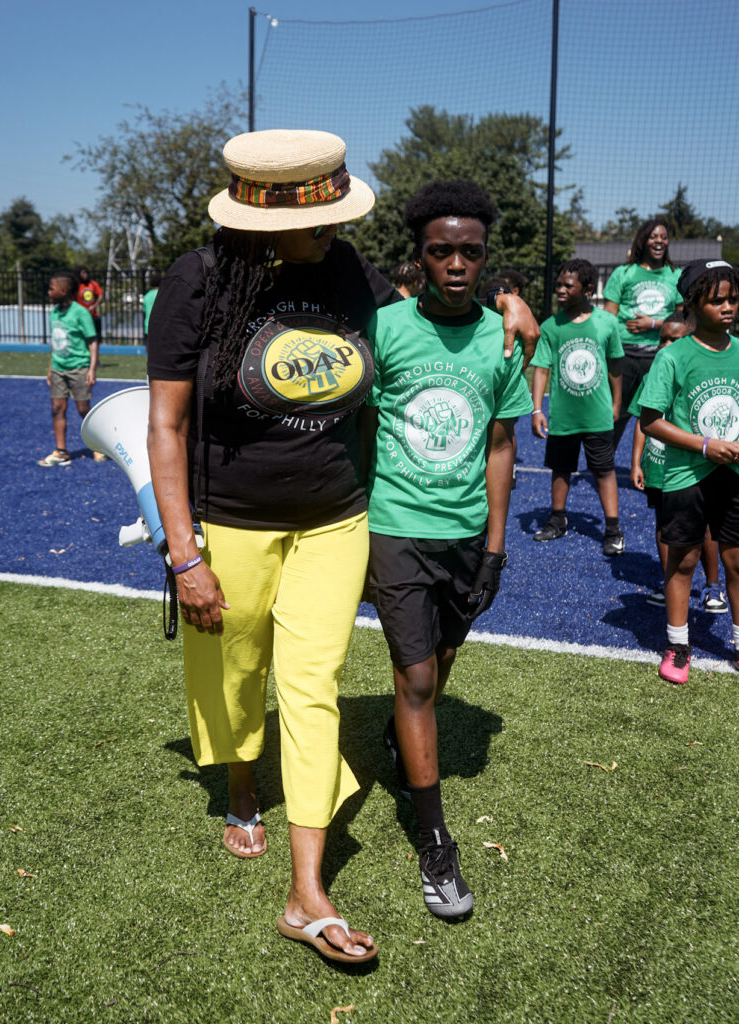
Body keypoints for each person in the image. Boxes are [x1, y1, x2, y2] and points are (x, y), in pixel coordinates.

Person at [145, 130, 540, 962]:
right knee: (239, 673)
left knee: (314, 683)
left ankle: (306, 890)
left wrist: (509, 300)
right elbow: (166, 423)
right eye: (321, 216)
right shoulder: (199, 281)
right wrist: (185, 552)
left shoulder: (350, 271)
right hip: (234, 521)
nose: (337, 227)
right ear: (263, 219)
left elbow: (431, 307)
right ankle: (244, 787)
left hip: (336, 517)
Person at [363, 180, 533, 919]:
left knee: (443, 660)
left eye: (470, 252)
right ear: (420, 257)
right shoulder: (385, 328)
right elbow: (357, 430)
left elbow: (501, 442)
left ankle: (405, 744)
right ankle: (436, 845)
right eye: (442, 251)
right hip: (395, 527)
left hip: (468, 535)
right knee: (420, 679)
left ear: (487, 258)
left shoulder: (506, 335)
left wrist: (495, 546)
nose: (457, 264)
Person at [638, 260, 739, 683]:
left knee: (737, 562)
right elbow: (650, 421)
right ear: (692, 305)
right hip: (684, 478)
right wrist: (704, 444)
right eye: (717, 300)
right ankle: (678, 646)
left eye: (733, 298)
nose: (729, 307)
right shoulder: (673, 356)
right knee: (683, 562)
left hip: (733, 479)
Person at [630, 311, 728, 612]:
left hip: (694, 465)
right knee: (664, 526)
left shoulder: (697, 368)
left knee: (708, 530)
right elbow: (642, 422)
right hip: (660, 466)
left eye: (674, 339)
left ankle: (713, 586)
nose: (666, 344)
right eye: (662, 339)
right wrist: (636, 463)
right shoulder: (652, 375)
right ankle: (668, 579)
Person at [530, 259, 625, 555]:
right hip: (563, 416)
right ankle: (557, 519)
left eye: (567, 285)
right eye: (558, 284)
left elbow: (615, 366)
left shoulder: (607, 323)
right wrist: (536, 409)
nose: (560, 289)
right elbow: (541, 369)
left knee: (604, 470)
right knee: (560, 468)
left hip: (597, 415)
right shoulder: (550, 327)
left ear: (586, 289)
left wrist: (616, 402)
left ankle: (612, 529)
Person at [602, 219, 682, 450]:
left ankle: (648, 467)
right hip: (624, 354)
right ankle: (603, 464)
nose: (659, 241)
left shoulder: (674, 275)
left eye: (663, 237)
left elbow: (683, 320)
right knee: (615, 412)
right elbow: (608, 317)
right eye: (653, 236)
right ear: (643, 240)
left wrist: (654, 323)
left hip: (659, 356)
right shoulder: (623, 273)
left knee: (655, 415)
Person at [38, 270, 104, 466]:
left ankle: (99, 446)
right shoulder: (53, 313)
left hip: (79, 368)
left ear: (63, 290)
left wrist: (92, 369)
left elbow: (92, 341)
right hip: (59, 368)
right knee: (57, 408)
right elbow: (55, 342)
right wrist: (50, 367)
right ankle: (61, 451)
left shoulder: (81, 313)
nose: (49, 292)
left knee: (83, 409)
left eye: (52, 288)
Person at [75, 266, 104, 348]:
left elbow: (100, 295)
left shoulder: (93, 284)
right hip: (81, 317)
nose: (85, 275)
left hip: (93, 315)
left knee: (96, 338)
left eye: (86, 272)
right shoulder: (76, 285)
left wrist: (94, 305)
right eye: (83, 273)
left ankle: (95, 359)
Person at [141, 270, 161, 340]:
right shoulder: (162, 295)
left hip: (148, 327)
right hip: (160, 327)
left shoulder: (146, 296)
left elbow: (144, 311)